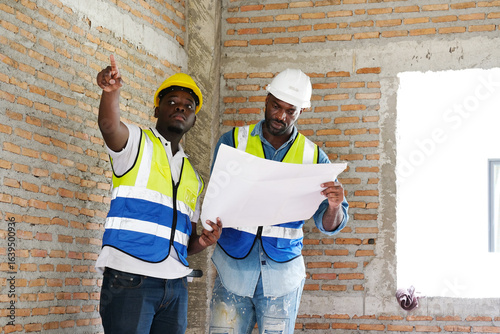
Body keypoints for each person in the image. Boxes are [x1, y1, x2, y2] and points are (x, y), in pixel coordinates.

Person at [207, 68, 349, 334]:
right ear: (266, 99)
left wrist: (334, 206)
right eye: (276, 106)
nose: (280, 116)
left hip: (282, 275)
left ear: (301, 111)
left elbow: (329, 225)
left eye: (290, 111)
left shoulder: (314, 157)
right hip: (232, 266)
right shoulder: (233, 142)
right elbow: (216, 198)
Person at [95, 55, 222, 334]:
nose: (180, 108)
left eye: (188, 106)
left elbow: (181, 243)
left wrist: (202, 241)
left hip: (175, 286)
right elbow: (109, 127)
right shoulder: (136, 143)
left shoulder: (192, 176)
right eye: (172, 102)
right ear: (157, 109)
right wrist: (110, 93)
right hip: (130, 279)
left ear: (194, 119)